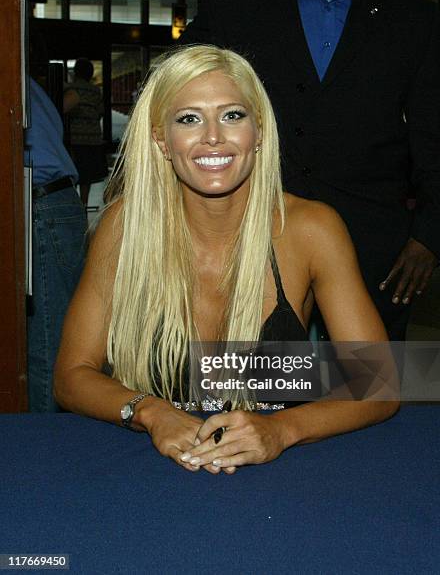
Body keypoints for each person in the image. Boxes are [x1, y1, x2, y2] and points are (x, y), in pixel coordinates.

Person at [54, 45, 398, 474]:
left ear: (260, 132)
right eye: (189, 118)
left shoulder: (311, 228)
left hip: (280, 474)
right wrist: (150, 412)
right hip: (151, 470)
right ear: (162, 139)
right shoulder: (125, 225)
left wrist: (281, 430)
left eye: (233, 115)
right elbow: (71, 375)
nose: (213, 136)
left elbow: (380, 383)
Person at [180, 0, 440, 341]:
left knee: (367, 383)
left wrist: (431, 236)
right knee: (255, 385)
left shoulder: (414, 18)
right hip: (251, 233)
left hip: (375, 247)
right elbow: (173, 87)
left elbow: (432, 135)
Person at [26, 75, 88, 412]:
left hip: (40, 204)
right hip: (58, 200)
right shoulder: (24, 80)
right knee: (63, 334)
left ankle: (49, 441)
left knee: (48, 345)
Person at [64, 58, 107, 207]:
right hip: (92, 138)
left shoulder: (69, 89)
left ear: (76, 72)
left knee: (73, 172)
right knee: (87, 176)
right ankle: (83, 203)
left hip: (73, 138)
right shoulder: (95, 90)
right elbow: (101, 111)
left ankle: (72, 204)